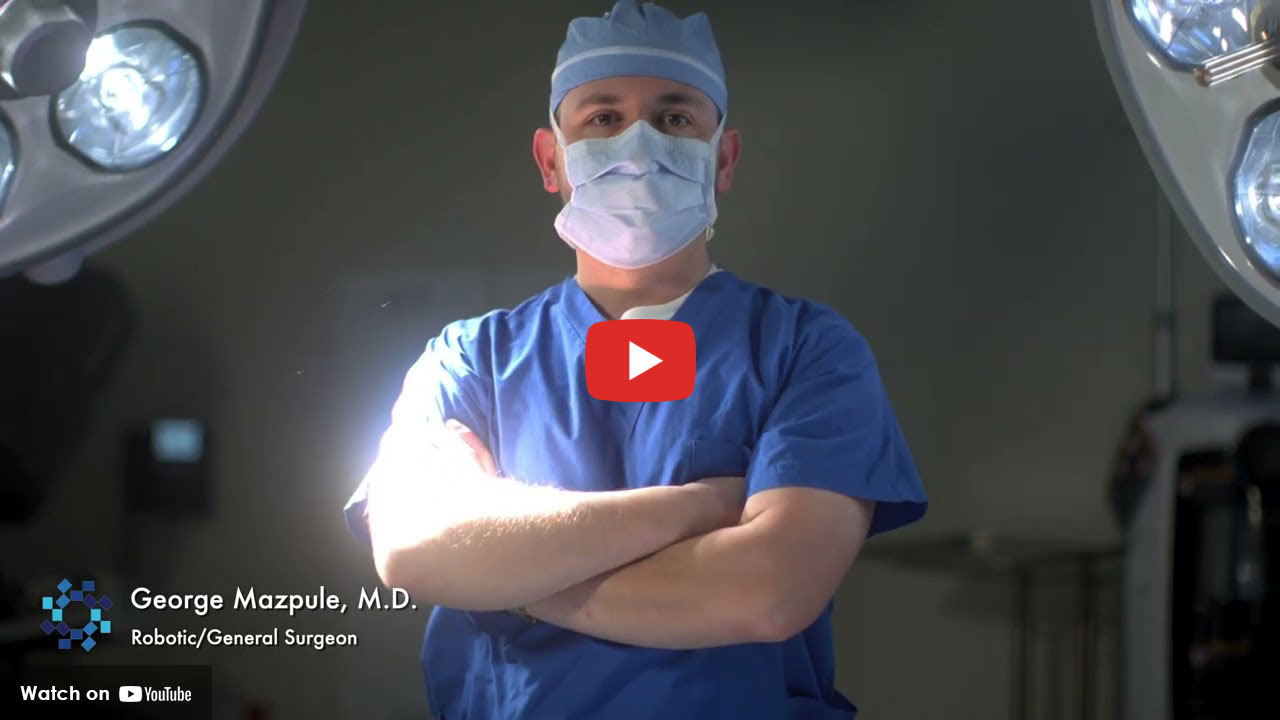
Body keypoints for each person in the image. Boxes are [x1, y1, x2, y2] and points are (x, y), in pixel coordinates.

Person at [343, 2, 928, 717]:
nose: (639, 144)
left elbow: (768, 593)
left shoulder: (807, 349)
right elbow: (413, 550)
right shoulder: (470, 359)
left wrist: (500, 566)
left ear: (726, 159)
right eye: (602, 118)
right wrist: (702, 505)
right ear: (550, 160)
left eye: (676, 118)